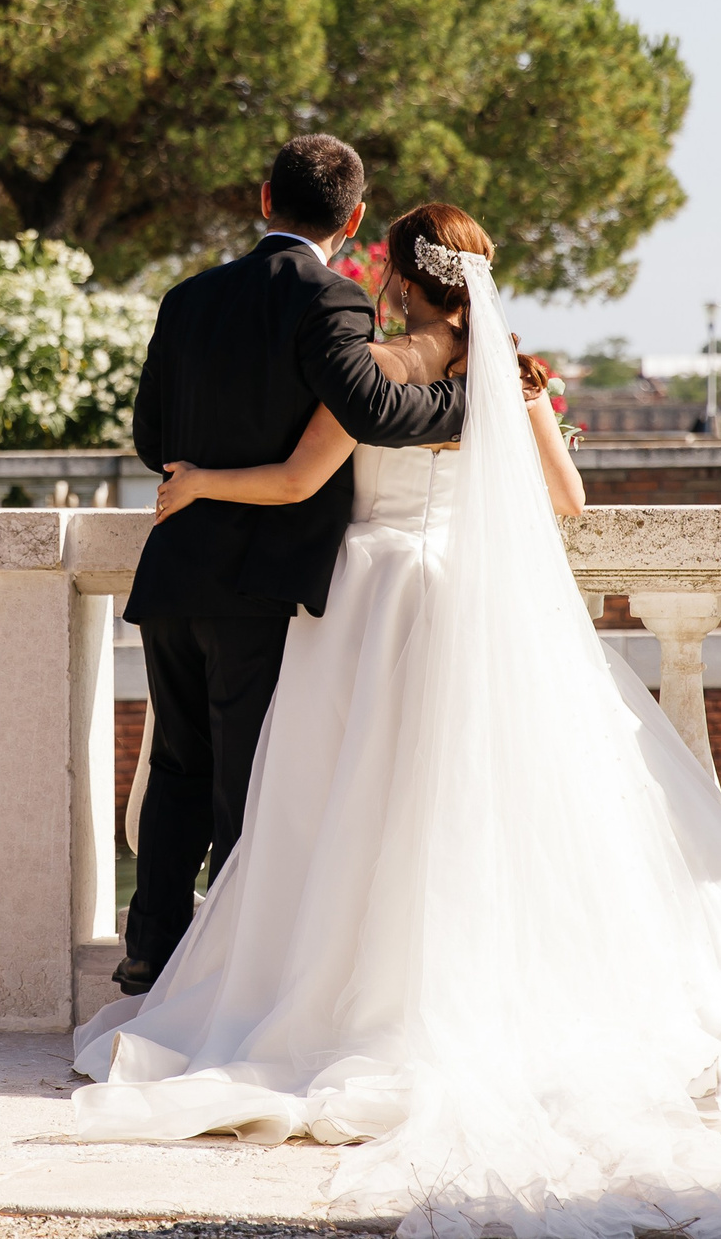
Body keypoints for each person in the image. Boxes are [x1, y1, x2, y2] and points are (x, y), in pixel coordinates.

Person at [74, 203, 721, 1237]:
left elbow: (299, 480)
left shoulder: (370, 367)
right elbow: (564, 500)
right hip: (479, 600)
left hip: (373, 600)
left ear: (392, 275)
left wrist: (200, 480)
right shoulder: (515, 374)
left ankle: (358, 997)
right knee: (495, 809)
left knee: (353, 807)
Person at [117, 135, 466, 998]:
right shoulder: (332, 298)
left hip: (173, 570)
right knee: (249, 776)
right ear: (352, 220)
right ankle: (232, 972)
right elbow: (375, 410)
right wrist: (476, 397)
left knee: (176, 770)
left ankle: (150, 951)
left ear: (263, 196)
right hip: (261, 580)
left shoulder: (186, 296)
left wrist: (204, 471)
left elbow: (151, 440)